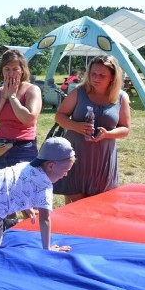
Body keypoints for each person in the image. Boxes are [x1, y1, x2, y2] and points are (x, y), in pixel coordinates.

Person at [0, 137, 75, 252]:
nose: (65, 175)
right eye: (66, 170)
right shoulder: (44, 185)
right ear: (51, 166)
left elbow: (16, 183)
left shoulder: (27, 165)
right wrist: (48, 248)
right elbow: (45, 219)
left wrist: (27, 206)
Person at [53, 55, 131, 203]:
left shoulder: (121, 97)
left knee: (100, 205)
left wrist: (108, 134)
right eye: (93, 74)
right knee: (76, 204)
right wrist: (76, 126)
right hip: (76, 156)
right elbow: (60, 116)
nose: (96, 78)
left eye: (102, 75)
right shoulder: (79, 92)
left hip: (103, 159)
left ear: (112, 77)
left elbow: (125, 128)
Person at [0, 49, 42, 173]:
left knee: (22, 190)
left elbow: (28, 119)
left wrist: (13, 97)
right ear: (2, 72)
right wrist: (3, 97)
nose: (11, 73)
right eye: (7, 69)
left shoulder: (32, 90)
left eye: (15, 69)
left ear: (22, 70)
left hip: (23, 148)